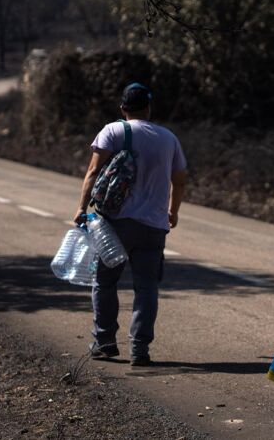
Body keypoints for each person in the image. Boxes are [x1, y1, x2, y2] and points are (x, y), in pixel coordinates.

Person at [73, 82, 188, 367]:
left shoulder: (113, 131)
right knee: (146, 287)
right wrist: (173, 212)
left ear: (123, 108)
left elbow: (93, 172)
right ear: (148, 107)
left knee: (104, 282)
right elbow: (180, 180)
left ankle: (105, 342)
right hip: (153, 226)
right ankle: (139, 349)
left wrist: (81, 207)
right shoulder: (168, 138)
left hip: (114, 224)